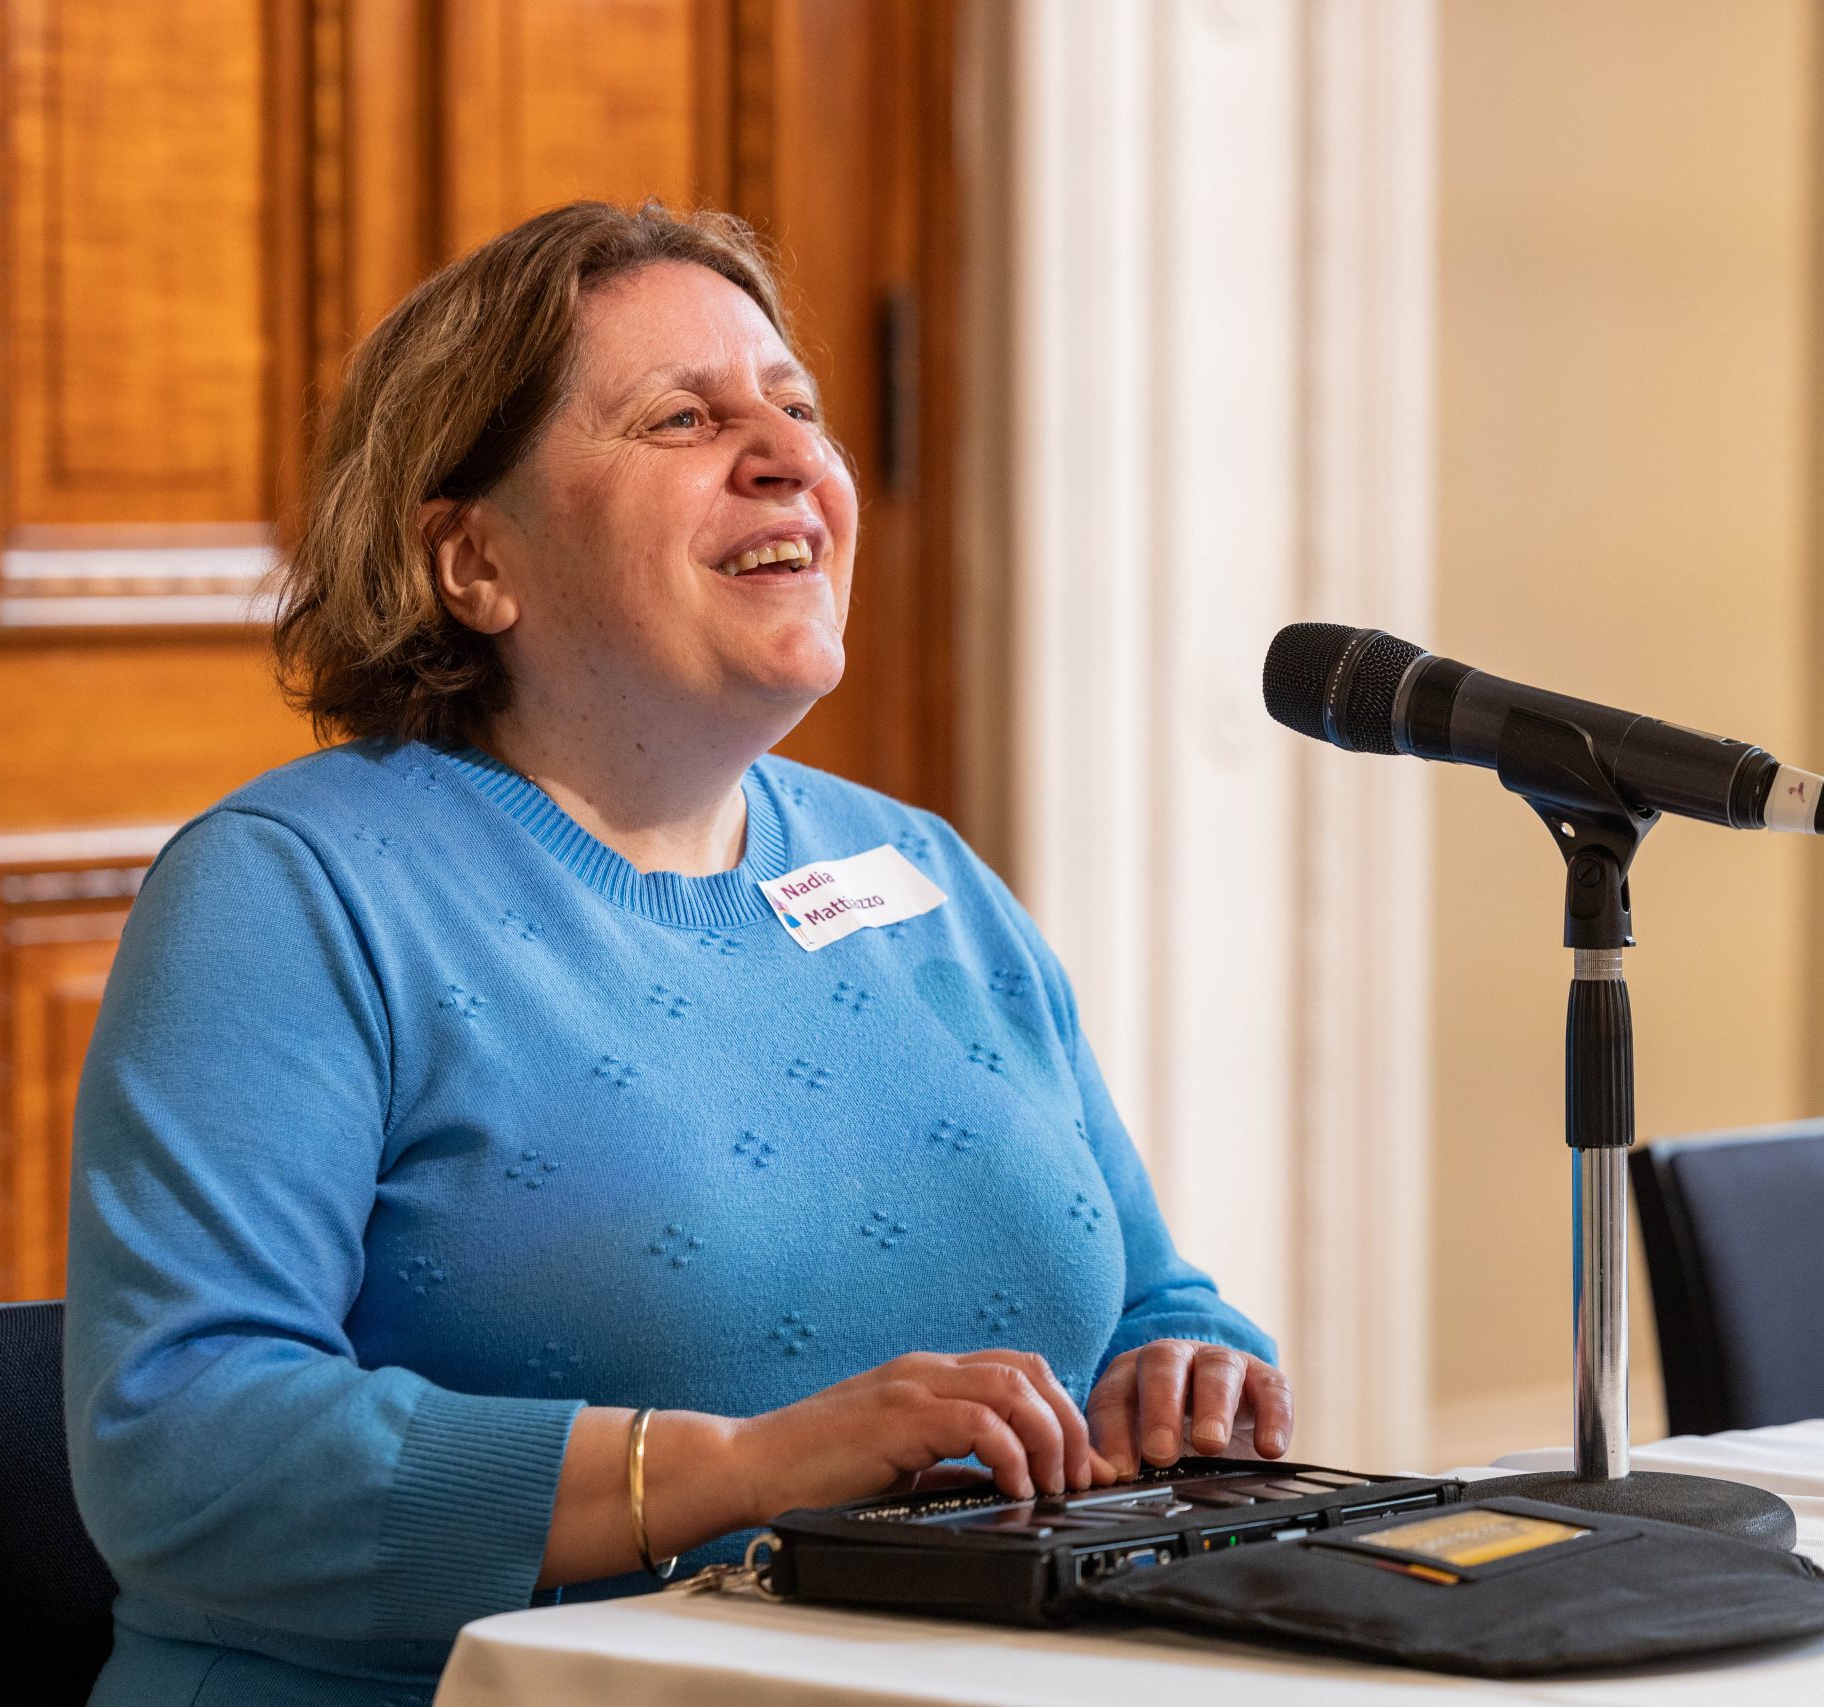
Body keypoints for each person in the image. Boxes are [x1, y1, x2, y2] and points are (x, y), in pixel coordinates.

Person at [64, 200, 1288, 1707]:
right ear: (474, 562)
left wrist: (1187, 1368)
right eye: (683, 419)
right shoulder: (295, 892)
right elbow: (183, 1451)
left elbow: (1150, 1296)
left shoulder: (920, 873)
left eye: (797, 407)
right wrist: (739, 1470)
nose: (785, 456)